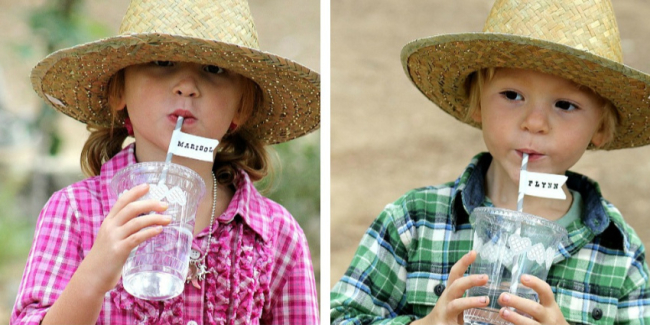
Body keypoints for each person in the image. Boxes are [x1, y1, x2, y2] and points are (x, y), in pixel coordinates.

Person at [330, 0, 650, 324]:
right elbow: (339, 316)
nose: (535, 122)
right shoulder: (413, 222)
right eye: (512, 95)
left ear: (600, 127)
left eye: (565, 104)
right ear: (477, 101)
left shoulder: (619, 252)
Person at [12, 0, 320, 324]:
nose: (186, 86)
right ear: (120, 91)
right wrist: (94, 275)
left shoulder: (277, 236)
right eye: (162, 61)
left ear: (241, 107)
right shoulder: (74, 213)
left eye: (213, 69)